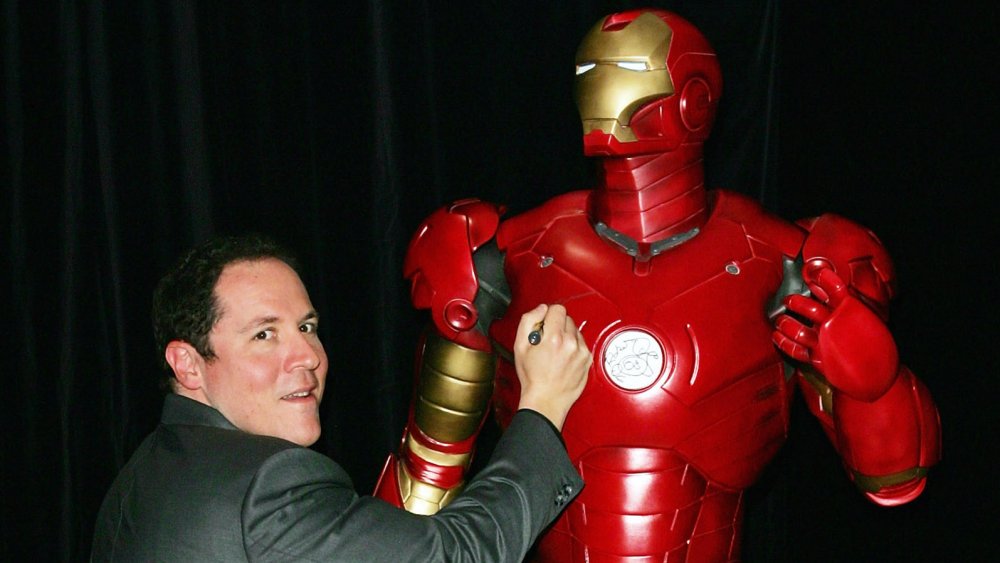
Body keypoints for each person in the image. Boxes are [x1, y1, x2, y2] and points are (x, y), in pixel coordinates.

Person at [373, 8, 941, 562]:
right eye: (589, 71)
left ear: (694, 98)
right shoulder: (499, 259)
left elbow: (893, 481)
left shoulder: (793, 265)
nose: (602, 87)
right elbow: (428, 469)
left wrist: (877, 390)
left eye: (630, 70)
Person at [91, 234, 592, 562]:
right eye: (264, 335)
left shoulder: (136, 480)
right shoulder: (268, 485)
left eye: (307, 327)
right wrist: (542, 407)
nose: (307, 355)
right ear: (187, 364)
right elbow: (456, 554)